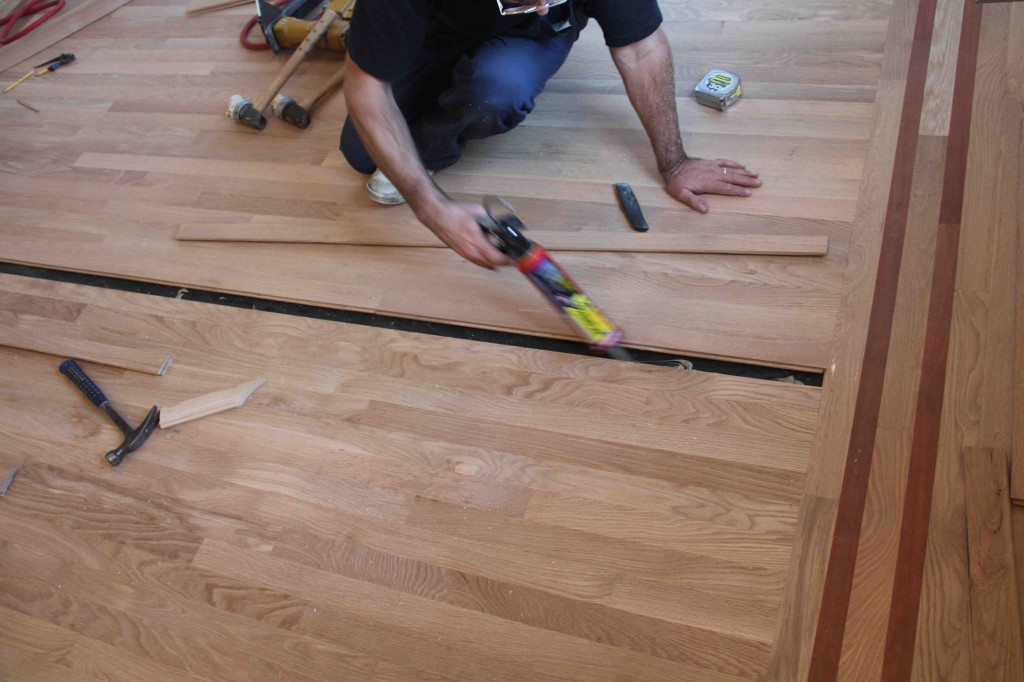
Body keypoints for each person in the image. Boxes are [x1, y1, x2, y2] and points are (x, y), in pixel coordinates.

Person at [341, 0, 762, 268]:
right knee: (363, 153)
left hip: (523, 42)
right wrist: (431, 209)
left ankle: (439, 140)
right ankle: (413, 58)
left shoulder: (544, 12)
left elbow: (641, 48)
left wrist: (675, 163)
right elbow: (366, 87)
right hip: (435, 25)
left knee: (497, 89)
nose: (542, 4)